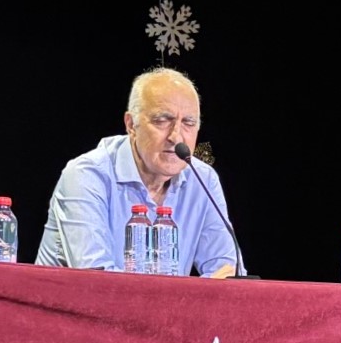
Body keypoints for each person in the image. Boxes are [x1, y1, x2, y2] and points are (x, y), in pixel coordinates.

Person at [37, 67, 238, 276]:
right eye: (162, 120)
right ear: (131, 124)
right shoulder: (86, 176)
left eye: (188, 123)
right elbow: (97, 281)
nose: (176, 137)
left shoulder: (203, 179)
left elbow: (227, 273)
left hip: (166, 308)